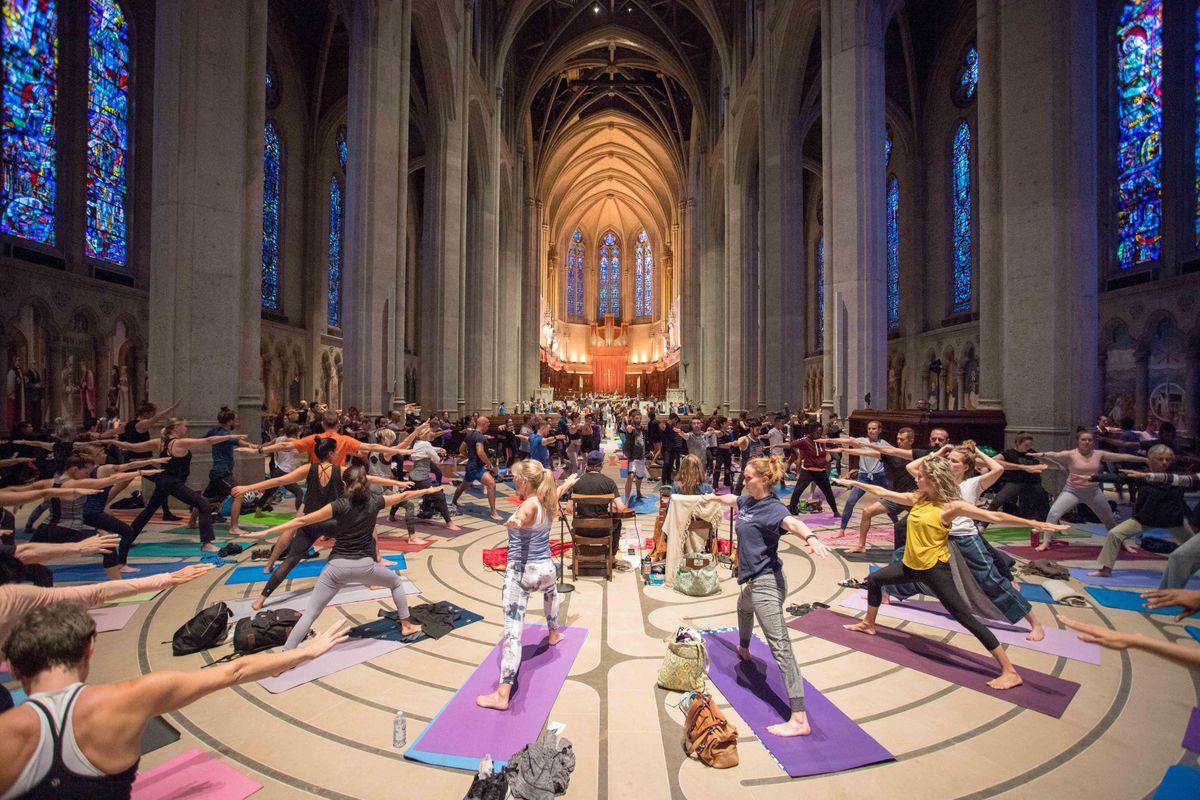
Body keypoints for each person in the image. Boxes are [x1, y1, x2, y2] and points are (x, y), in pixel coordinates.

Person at [0, 601, 349, 794]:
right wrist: (308, 652)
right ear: (89, 649)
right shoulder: (132, 698)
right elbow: (235, 671)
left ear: (13, 670)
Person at [833, 457, 1071, 690]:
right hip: (910, 566)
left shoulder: (951, 506)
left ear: (934, 480)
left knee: (964, 617)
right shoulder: (918, 499)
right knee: (874, 580)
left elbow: (995, 516)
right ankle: (868, 623)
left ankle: (1010, 671)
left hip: (935, 570)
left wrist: (1038, 525)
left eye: (921, 476)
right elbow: (881, 491)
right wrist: (855, 483)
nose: (916, 478)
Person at [705, 456, 832, 735]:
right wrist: (712, 499)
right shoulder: (749, 500)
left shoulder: (773, 508)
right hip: (754, 583)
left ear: (764, 480)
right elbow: (733, 500)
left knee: (781, 647)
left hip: (767, 585)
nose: (743, 480)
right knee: (742, 606)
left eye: (748, 477)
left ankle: (800, 719)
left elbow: (792, 523)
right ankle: (744, 648)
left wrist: (810, 538)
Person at [255, 465, 441, 648]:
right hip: (366, 568)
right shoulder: (376, 501)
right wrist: (429, 489)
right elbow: (406, 495)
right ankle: (406, 626)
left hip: (335, 569)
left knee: (311, 612)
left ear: (344, 484)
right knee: (395, 583)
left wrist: (267, 531)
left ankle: (288, 652)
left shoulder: (339, 505)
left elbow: (303, 519)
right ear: (366, 484)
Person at [921, 443, 1049, 641]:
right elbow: (913, 468)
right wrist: (939, 453)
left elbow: (998, 468)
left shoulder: (973, 484)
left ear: (966, 467)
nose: (948, 462)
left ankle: (1034, 623)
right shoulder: (940, 482)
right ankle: (886, 590)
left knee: (990, 580)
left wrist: (977, 452)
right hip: (941, 537)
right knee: (919, 568)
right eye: (948, 459)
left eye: (954, 460)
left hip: (966, 539)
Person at [476, 461, 578, 711]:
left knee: (512, 631)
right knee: (550, 594)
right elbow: (559, 491)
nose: (512, 481)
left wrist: (517, 521)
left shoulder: (530, 504)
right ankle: (554, 632)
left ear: (524, 481)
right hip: (546, 570)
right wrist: (568, 482)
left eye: (513, 478)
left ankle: (502, 694)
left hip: (522, 573)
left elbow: (525, 514)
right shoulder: (548, 498)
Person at [119, 419, 248, 553]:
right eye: (184, 426)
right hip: (173, 483)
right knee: (203, 505)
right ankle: (207, 544)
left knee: (148, 511)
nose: (186, 429)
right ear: (176, 428)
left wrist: (110, 441)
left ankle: (128, 538)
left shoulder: (161, 442)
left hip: (163, 480)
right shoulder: (179, 442)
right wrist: (231, 436)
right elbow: (207, 441)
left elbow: (133, 447)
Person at [1034, 429, 1148, 550]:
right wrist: (1042, 454)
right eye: (1084, 439)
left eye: (1090, 440)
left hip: (1093, 492)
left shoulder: (1098, 454)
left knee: (1109, 519)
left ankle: (1121, 542)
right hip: (1072, 491)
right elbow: (1055, 455)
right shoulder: (1071, 454)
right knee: (1053, 513)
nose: (1087, 442)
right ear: (1078, 441)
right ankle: (1046, 542)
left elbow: (1123, 457)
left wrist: (1144, 459)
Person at [1099, 460, 1200, 588]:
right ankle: (1105, 570)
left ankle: (1166, 593)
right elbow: (1116, 477)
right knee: (1114, 534)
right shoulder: (1146, 478)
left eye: (1167, 460)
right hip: (1146, 519)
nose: (1163, 462)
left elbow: (1178, 479)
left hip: (1173, 521)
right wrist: (1092, 477)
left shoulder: (1175, 479)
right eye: (1160, 459)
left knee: (1185, 553)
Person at [386, 421, 461, 538]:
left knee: (404, 495)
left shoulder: (417, 443)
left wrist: (438, 449)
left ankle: (391, 516)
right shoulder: (426, 445)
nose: (431, 435)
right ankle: (450, 523)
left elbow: (428, 448)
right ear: (425, 434)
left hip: (413, 475)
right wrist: (439, 455)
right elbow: (436, 459)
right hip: (421, 478)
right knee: (440, 497)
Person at [832, 419, 888, 536]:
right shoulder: (862, 441)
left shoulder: (884, 443)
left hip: (879, 477)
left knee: (889, 502)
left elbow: (896, 453)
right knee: (850, 501)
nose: (871, 431)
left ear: (880, 430)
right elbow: (846, 440)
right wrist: (828, 440)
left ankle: (897, 524)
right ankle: (842, 530)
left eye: (874, 428)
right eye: (869, 429)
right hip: (863, 477)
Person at [988, 432, 1050, 520]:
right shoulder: (1009, 453)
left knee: (1043, 504)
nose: (1029, 447)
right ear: (1018, 443)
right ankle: (983, 524)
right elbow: (992, 461)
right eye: (1026, 445)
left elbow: (1043, 462)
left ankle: (1053, 524)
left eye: (1030, 444)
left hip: (1032, 483)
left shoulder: (1032, 452)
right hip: (1016, 482)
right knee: (997, 501)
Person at [451, 415, 502, 521]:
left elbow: (461, 449)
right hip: (476, 467)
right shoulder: (479, 437)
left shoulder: (470, 435)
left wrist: (469, 456)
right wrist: (488, 464)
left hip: (471, 465)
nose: (488, 426)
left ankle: (454, 501)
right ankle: (493, 512)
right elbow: (480, 452)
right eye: (488, 424)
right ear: (483, 424)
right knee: (491, 484)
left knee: (464, 485)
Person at [787, 421, 838, 516]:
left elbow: (832, 448)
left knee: (828, 492)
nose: (819, 434)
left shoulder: (822, 441)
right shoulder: (805, 440)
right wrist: (775, 446)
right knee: (798, 491)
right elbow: (791, 444)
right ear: (812, 432)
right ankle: (792, 509)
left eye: (820, 432)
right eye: (817, 432)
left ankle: (835, 511)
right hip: (808, 471)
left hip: (820, 472)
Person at [622, 411, 648, 504]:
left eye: (640, 418)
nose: (639, 420)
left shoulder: (642, 429)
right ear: (632, 419)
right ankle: (627, 499)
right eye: (637, 418)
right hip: (632, 457)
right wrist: (629, 426)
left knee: (640, 477)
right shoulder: (631, 428)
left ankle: (638, 493)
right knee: (630, 476)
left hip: (641, 455)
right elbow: (629, 429)